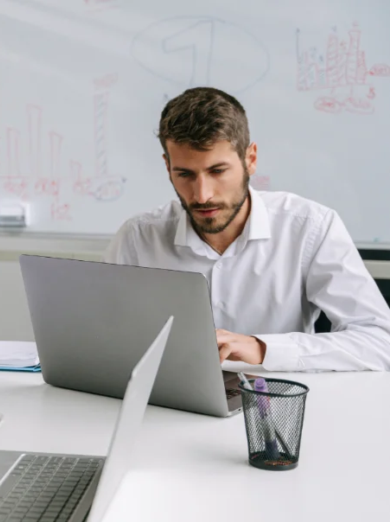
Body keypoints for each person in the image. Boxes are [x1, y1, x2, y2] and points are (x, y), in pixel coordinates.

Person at [105, 87, 390, 371]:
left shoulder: (310, 228)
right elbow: (100, 339)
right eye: (185, 174)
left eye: (217, 171)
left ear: (250, 159)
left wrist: (264, 349)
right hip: (165, 406)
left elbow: (380, 342)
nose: (202, 195)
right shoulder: (137, 238)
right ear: (168, 167)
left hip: (276, 408)